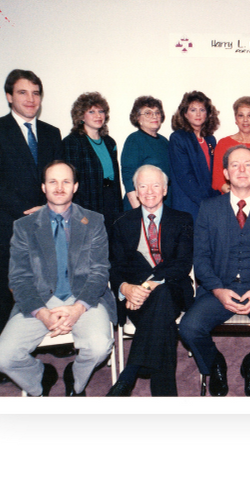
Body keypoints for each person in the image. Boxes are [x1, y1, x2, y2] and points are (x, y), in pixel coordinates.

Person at [180, 145, 250, 396]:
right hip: (219, 289)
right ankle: (215, 363)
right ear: (226, 173)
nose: (241, 170)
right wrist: (218, 290)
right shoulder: (208, 208)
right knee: (189, 327)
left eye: (248, 165)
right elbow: (200, 257)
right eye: (235, 165)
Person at [0, 161, 113, 396]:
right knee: (2, 357)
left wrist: (78, 309)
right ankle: (40, 377)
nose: (59, 187)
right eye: (53, 182)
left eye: (66, 181)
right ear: (43, 187)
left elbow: (100, 271)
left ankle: (76, 380)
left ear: (75, 187)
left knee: (99, 348)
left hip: (84, 299)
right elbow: (19, 278)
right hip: (39, 300)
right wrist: (43, 313)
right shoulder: (24, 227)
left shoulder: (94, 221)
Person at [0, 70, 63, 381]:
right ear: (9, 96)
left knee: (41, 292)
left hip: (47, 226)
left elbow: (60, 177)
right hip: (9, 227)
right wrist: (30, 212)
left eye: (36, 93)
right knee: (4, 295)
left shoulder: (52, 133)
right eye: (23, 92)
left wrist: (50, 209)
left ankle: (36, 347)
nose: (31, 99)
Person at [105, 164, 193, 396]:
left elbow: (182, 264)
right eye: (143, 186)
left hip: (173, 291)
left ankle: (130, 373)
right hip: (135, 300)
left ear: (165, 189)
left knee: (162, 294)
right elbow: (114, 266)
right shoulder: (121, 222)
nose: (149, 191)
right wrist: (126, 289)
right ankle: (165, 399)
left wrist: (148, 285)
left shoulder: (183, 219)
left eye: (156, 185)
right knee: (163, 323)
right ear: (135, 190)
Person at [60, 92, 123, 224]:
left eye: (101, 111)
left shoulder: (110, 142)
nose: (98, 115)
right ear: (81, 116)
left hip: (111, 200)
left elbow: (116, 179)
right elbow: (71, 182)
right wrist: (79, 214)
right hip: (89, 203)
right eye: (92, 112)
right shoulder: (73, 142)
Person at [166, 91, 221, 216]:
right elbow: (185, 176)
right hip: (189, 204)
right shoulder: (178, 138)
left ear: (207, 114)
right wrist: (206, 203)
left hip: (210, 202)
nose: (198, 114)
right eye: (193, 110)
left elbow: (214, 173)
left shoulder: (210, 139)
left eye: (202, 110)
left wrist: (216, 201)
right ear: (185, 114)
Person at [119, 96, 171, 206]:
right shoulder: (134, 140)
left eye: (157, 112)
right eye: (148, 113)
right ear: (138, 118)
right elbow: (129, 178)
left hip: (160, 203)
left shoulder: (164, 141)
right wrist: (138, 211)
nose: (154, 116)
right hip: (140, 205)